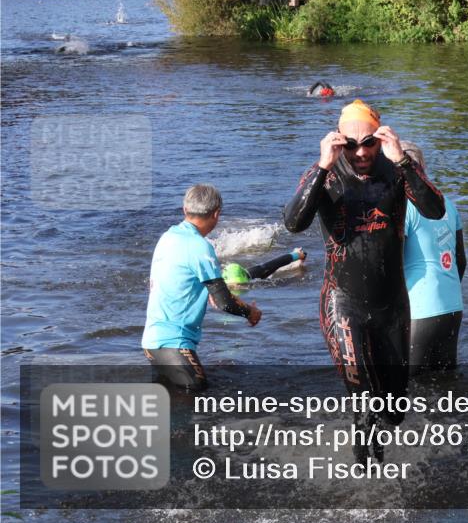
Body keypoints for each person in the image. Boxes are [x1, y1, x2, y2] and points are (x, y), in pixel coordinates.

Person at [283, 99, 445, 462]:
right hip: (344, 303)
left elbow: (436, 209)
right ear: (338, 141)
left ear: (381, 137)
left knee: (395, 411)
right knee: (365, 401)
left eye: (368, 142)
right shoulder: (325, 173)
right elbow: (293, 222)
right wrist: (324, 164)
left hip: (391, 305)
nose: (360, 152)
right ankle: (366, 487)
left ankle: (374, 452)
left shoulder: (398, 169)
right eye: (350, 144)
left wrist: (403, 159)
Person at [142, 184, 262, 392]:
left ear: (185, 210)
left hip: (152, 341)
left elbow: (181, 282)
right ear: (216, 214)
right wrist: (251, 312)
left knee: (174, 401)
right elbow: (225, 302)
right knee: (198, 397)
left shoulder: (168, 237)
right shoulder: (199, 246)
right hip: (173, 342)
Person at [400, 143, 466, 374]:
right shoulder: (447, 204)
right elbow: (461, 261)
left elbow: (393, 266)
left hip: (419, 309)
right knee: (447, 382)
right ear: (423, 168)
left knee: (408, 388)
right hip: (452, 307)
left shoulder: (403, 207)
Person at [223, 248, 307, 290]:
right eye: (237, 284)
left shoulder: (254, 276)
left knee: (273, 267)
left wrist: (297, 255)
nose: (238, 286)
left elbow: (277, 262)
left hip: (254, 273)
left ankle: (296, 254)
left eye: (239, 284)